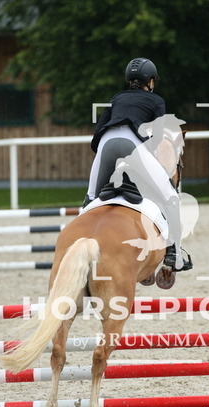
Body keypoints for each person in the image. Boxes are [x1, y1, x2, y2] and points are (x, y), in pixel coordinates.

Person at [84, 58, 192, 272]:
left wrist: (108, 156)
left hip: (106, 143)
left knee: (90, 199)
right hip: (133, 143)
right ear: (150, 81)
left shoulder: (116, 98)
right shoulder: (157, 101)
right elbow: (157, 137)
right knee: (171, 197)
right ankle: (175, 254)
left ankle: (79, 242)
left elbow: (96, 138)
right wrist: (141, 157)